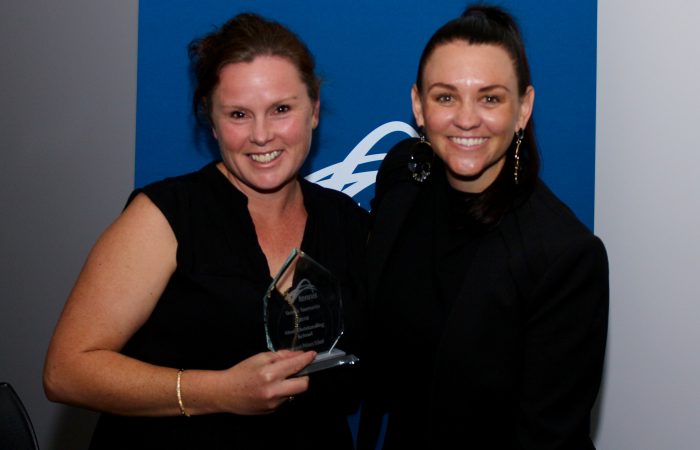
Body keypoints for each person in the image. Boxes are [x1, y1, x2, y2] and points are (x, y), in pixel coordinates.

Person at [43, 13, 368, 450]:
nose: (261, 134)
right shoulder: (165, 215)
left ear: (314, 111)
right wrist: (218, 391)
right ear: (212, 122)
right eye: (238, 114)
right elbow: (67, 372)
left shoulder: (347, 221)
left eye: (281, 109)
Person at [357, 4, 608, 449]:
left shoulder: (563, 255)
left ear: (524, 108)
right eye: (445, 96)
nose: (467, 119)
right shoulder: (403, 173)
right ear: (418, 104)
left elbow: (546, 437)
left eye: (490, 98)